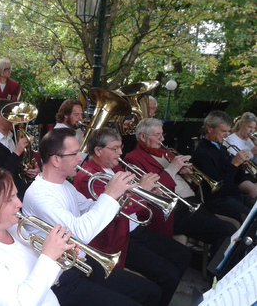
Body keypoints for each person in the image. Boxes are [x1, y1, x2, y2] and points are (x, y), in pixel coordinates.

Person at [23, 127, 162, 306]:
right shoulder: (40, 195)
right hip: (61, 278)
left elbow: (89, 208)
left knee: (151, 291)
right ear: (56, 160)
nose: (80, 158)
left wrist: (120, 199)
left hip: (80, 264)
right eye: (74, 154)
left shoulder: (64, 185)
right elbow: (80, 232)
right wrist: (110, 195)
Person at [74, 128, 191, 306]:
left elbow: (135, 203)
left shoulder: (117, 168)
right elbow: (115, 212)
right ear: (98, 151)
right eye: (115, 148)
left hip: (136, 231)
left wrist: (151, 192)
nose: (120, 153)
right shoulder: (89, 177)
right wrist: (142, 191)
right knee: (168, 275)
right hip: (117, 240)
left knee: (184, 255)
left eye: (120, 147)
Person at [0, 167, 76, 305]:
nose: (19, 203)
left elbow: (39, 282)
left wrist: (58, 259)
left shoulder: (11, 227)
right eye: (9, 200)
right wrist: (48, 257)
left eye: (16, 195)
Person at [124, 118, 237, 264]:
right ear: (143, 137)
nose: (162, 139)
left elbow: (187, 183)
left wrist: (188, 175)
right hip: (173, 209)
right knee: (226, 230)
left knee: (228, 230)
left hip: (191, 202)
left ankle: (218, 267)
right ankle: (216, 275)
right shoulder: (134, 158)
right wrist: (173, 168)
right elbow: (153, 189)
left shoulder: (165, 153)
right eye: (157, 135)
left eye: (162, 134)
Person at [192, 110, 256, 223]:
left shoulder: (221, 148)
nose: (227, 135)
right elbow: (219, 186)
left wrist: (241, 167)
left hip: (233, 195)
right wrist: (234, 164)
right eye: (223, 131)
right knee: (251, 220)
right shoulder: (202, 153)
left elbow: (235, 180)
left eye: (228, 131)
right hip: (217, 200)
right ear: (209, 128)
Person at [0, 99, 40, 201]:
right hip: (5, 198)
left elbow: (21, 167)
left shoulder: (15, 136)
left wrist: (33, 171)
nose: (15, 119)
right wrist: (16, 153)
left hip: (25, 190)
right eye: (10, 115)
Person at [224, 112, 257, 198]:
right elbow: (236, 162)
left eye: (254, 128)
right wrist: (252, 153)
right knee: (254, 190)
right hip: (238, 175)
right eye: (249, 127)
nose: (252, 131)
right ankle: (248, 209)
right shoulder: (231, 140)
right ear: (241, 125)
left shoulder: (250, 141)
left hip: (250, 174)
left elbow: (254, 162)